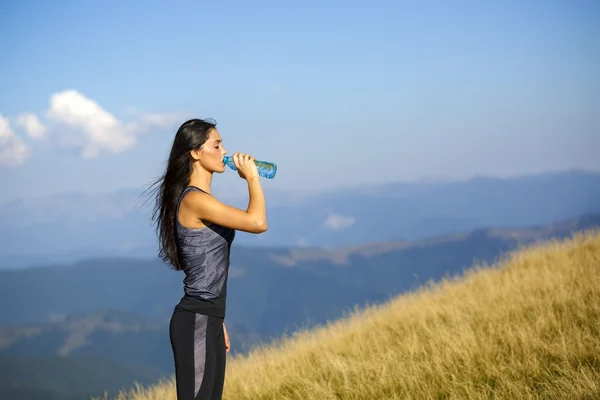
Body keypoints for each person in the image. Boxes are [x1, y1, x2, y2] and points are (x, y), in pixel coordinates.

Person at [148, 118, 268, 399]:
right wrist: (252, 178)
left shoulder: (203, 198)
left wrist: (215, 320)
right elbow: (258, 222)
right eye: (217, 144)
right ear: (195, 152)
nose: (224, 150)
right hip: (195, 320)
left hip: (209, 319)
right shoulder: (194, 200)